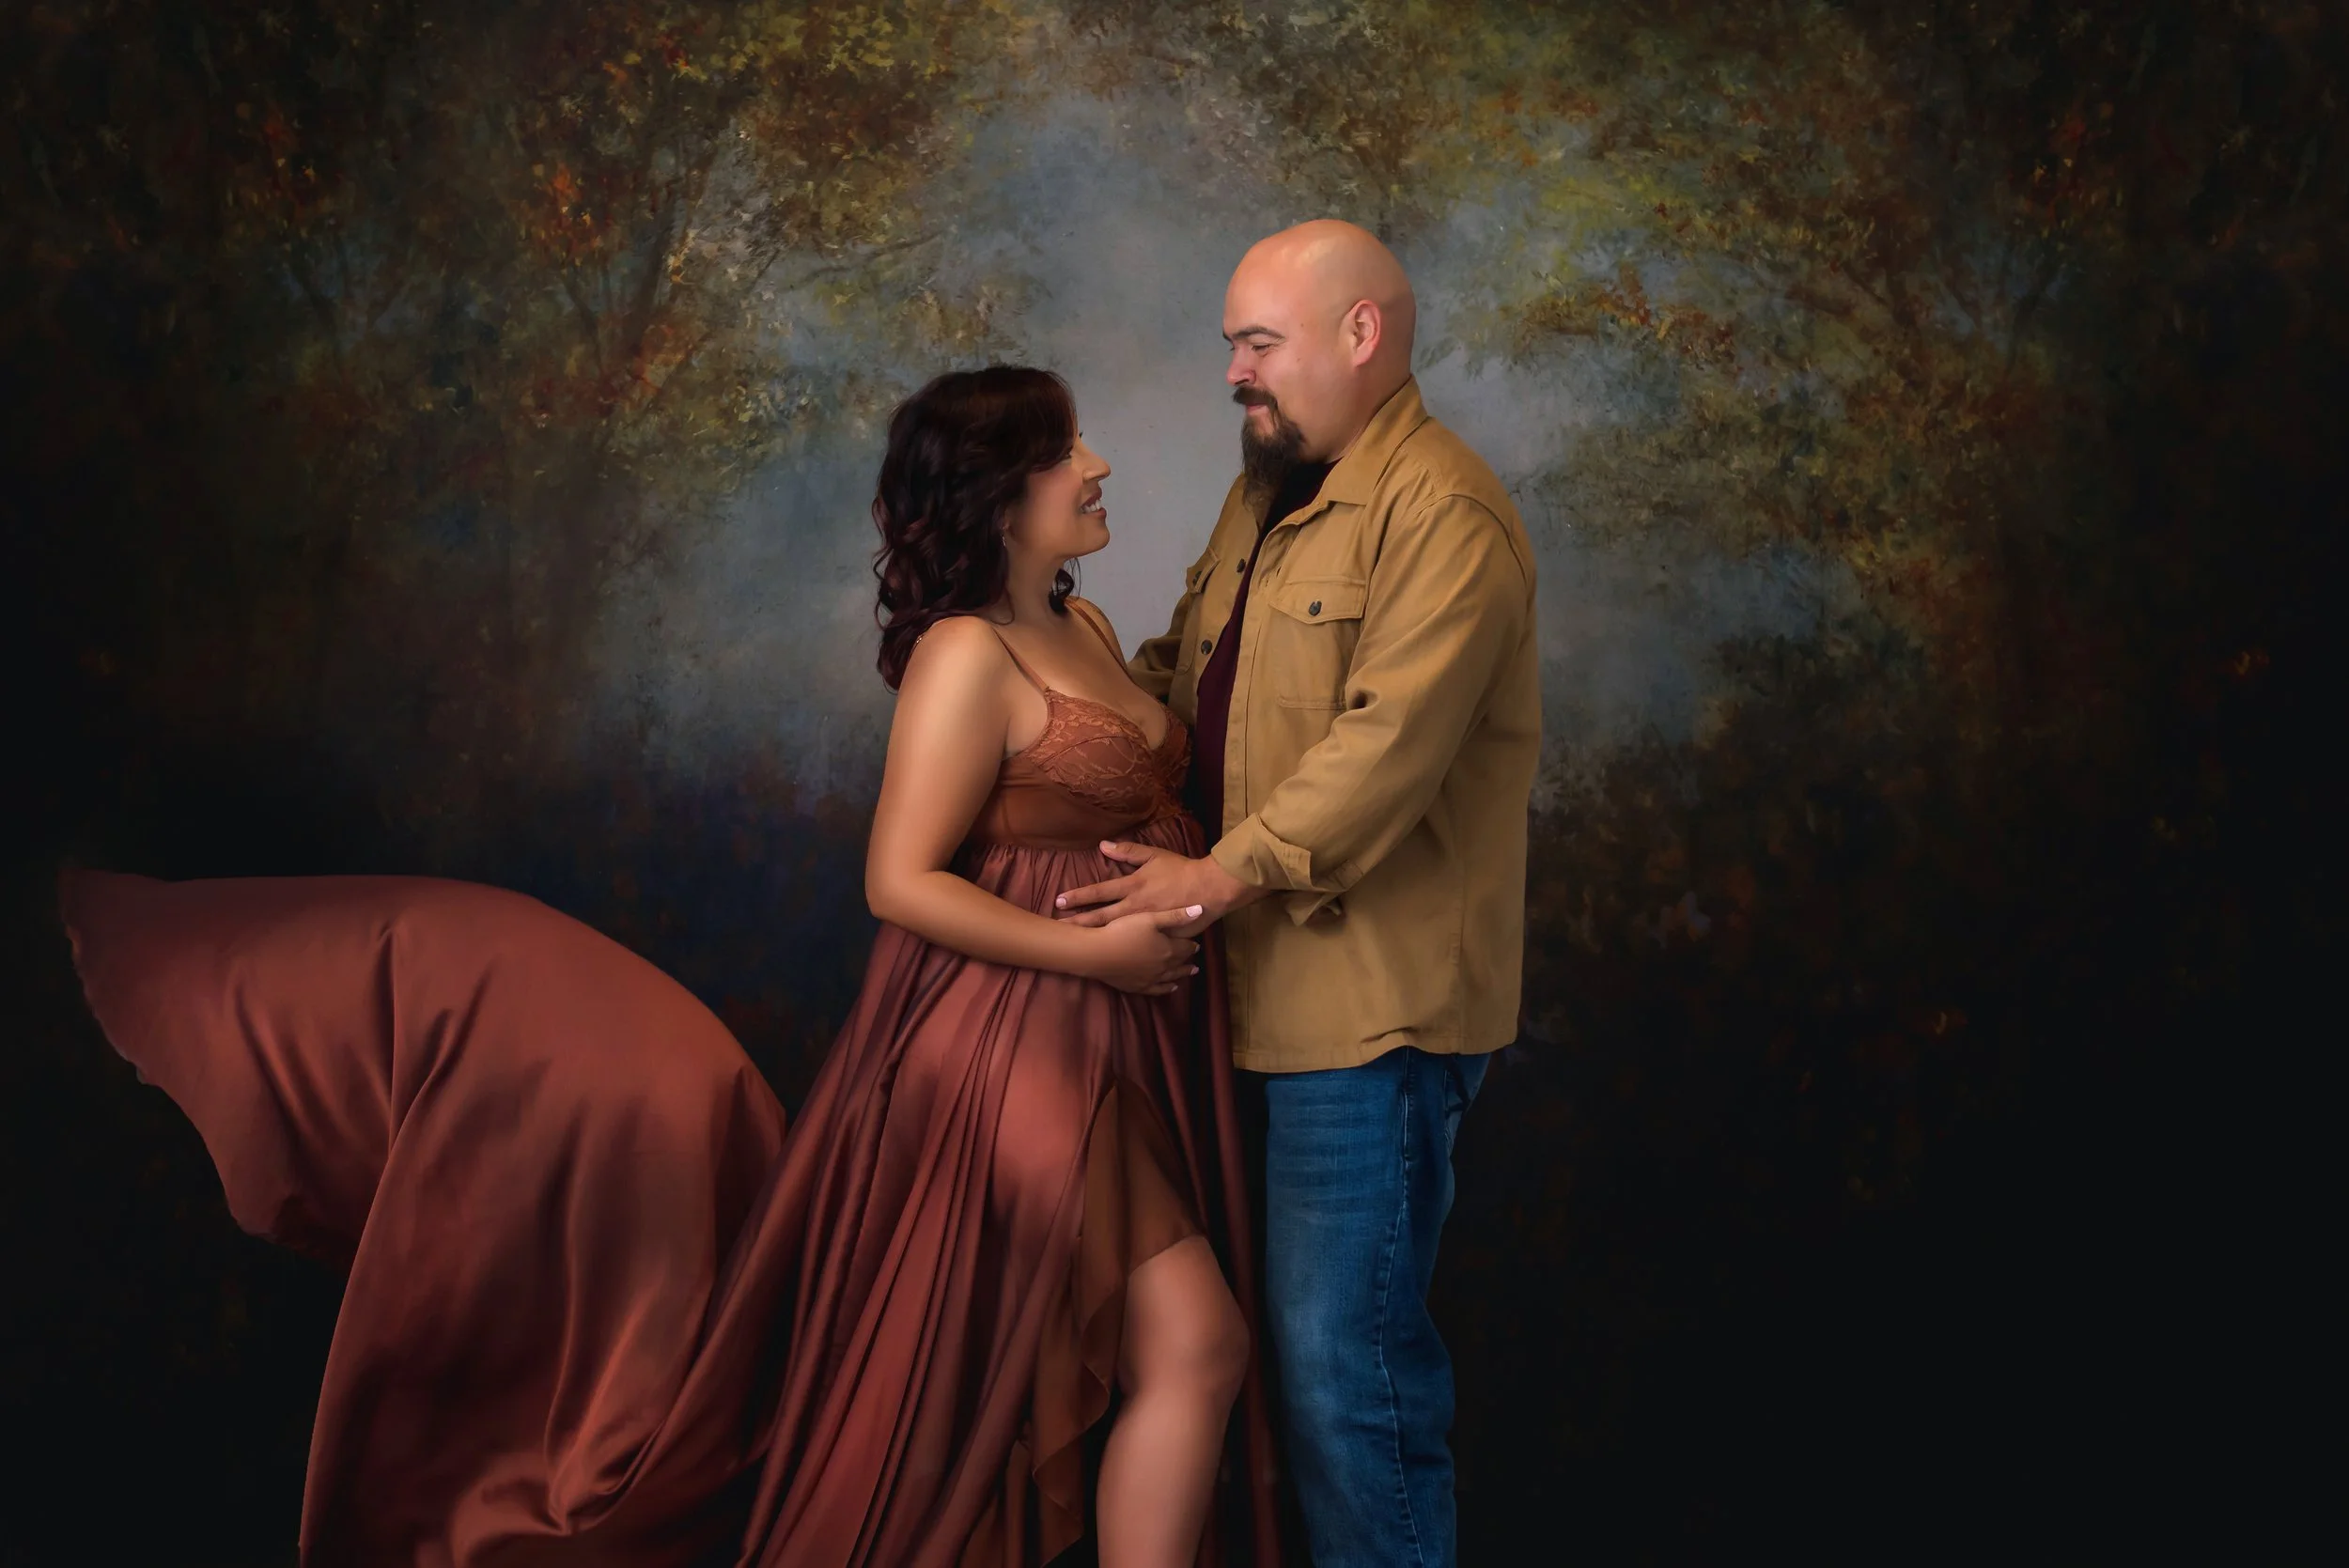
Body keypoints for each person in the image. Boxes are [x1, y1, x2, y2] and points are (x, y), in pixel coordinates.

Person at [60, 365, 1283, 1568]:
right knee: (1191, 1347)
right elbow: (898, 882)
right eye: (1067, 449)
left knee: (1148, 1361)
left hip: (1115, 1033)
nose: (1100, 464)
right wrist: (1097, 952)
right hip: (1010, 1049)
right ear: (997, 495)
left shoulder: (1083, 623)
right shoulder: (966, 656)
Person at [1055, 221, 1542, 1568]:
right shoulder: (1270, 494)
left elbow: (1380, 757)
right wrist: (1046, 700)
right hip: (1247, 1007)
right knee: (1272, 1381)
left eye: (1257, 344)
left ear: (1360, 336)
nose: (1233, 373)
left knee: (1347, 1384)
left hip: (1366, 1027)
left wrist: (1209, 882)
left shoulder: (1444, 514)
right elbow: (1179, 681)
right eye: (1231, 346)